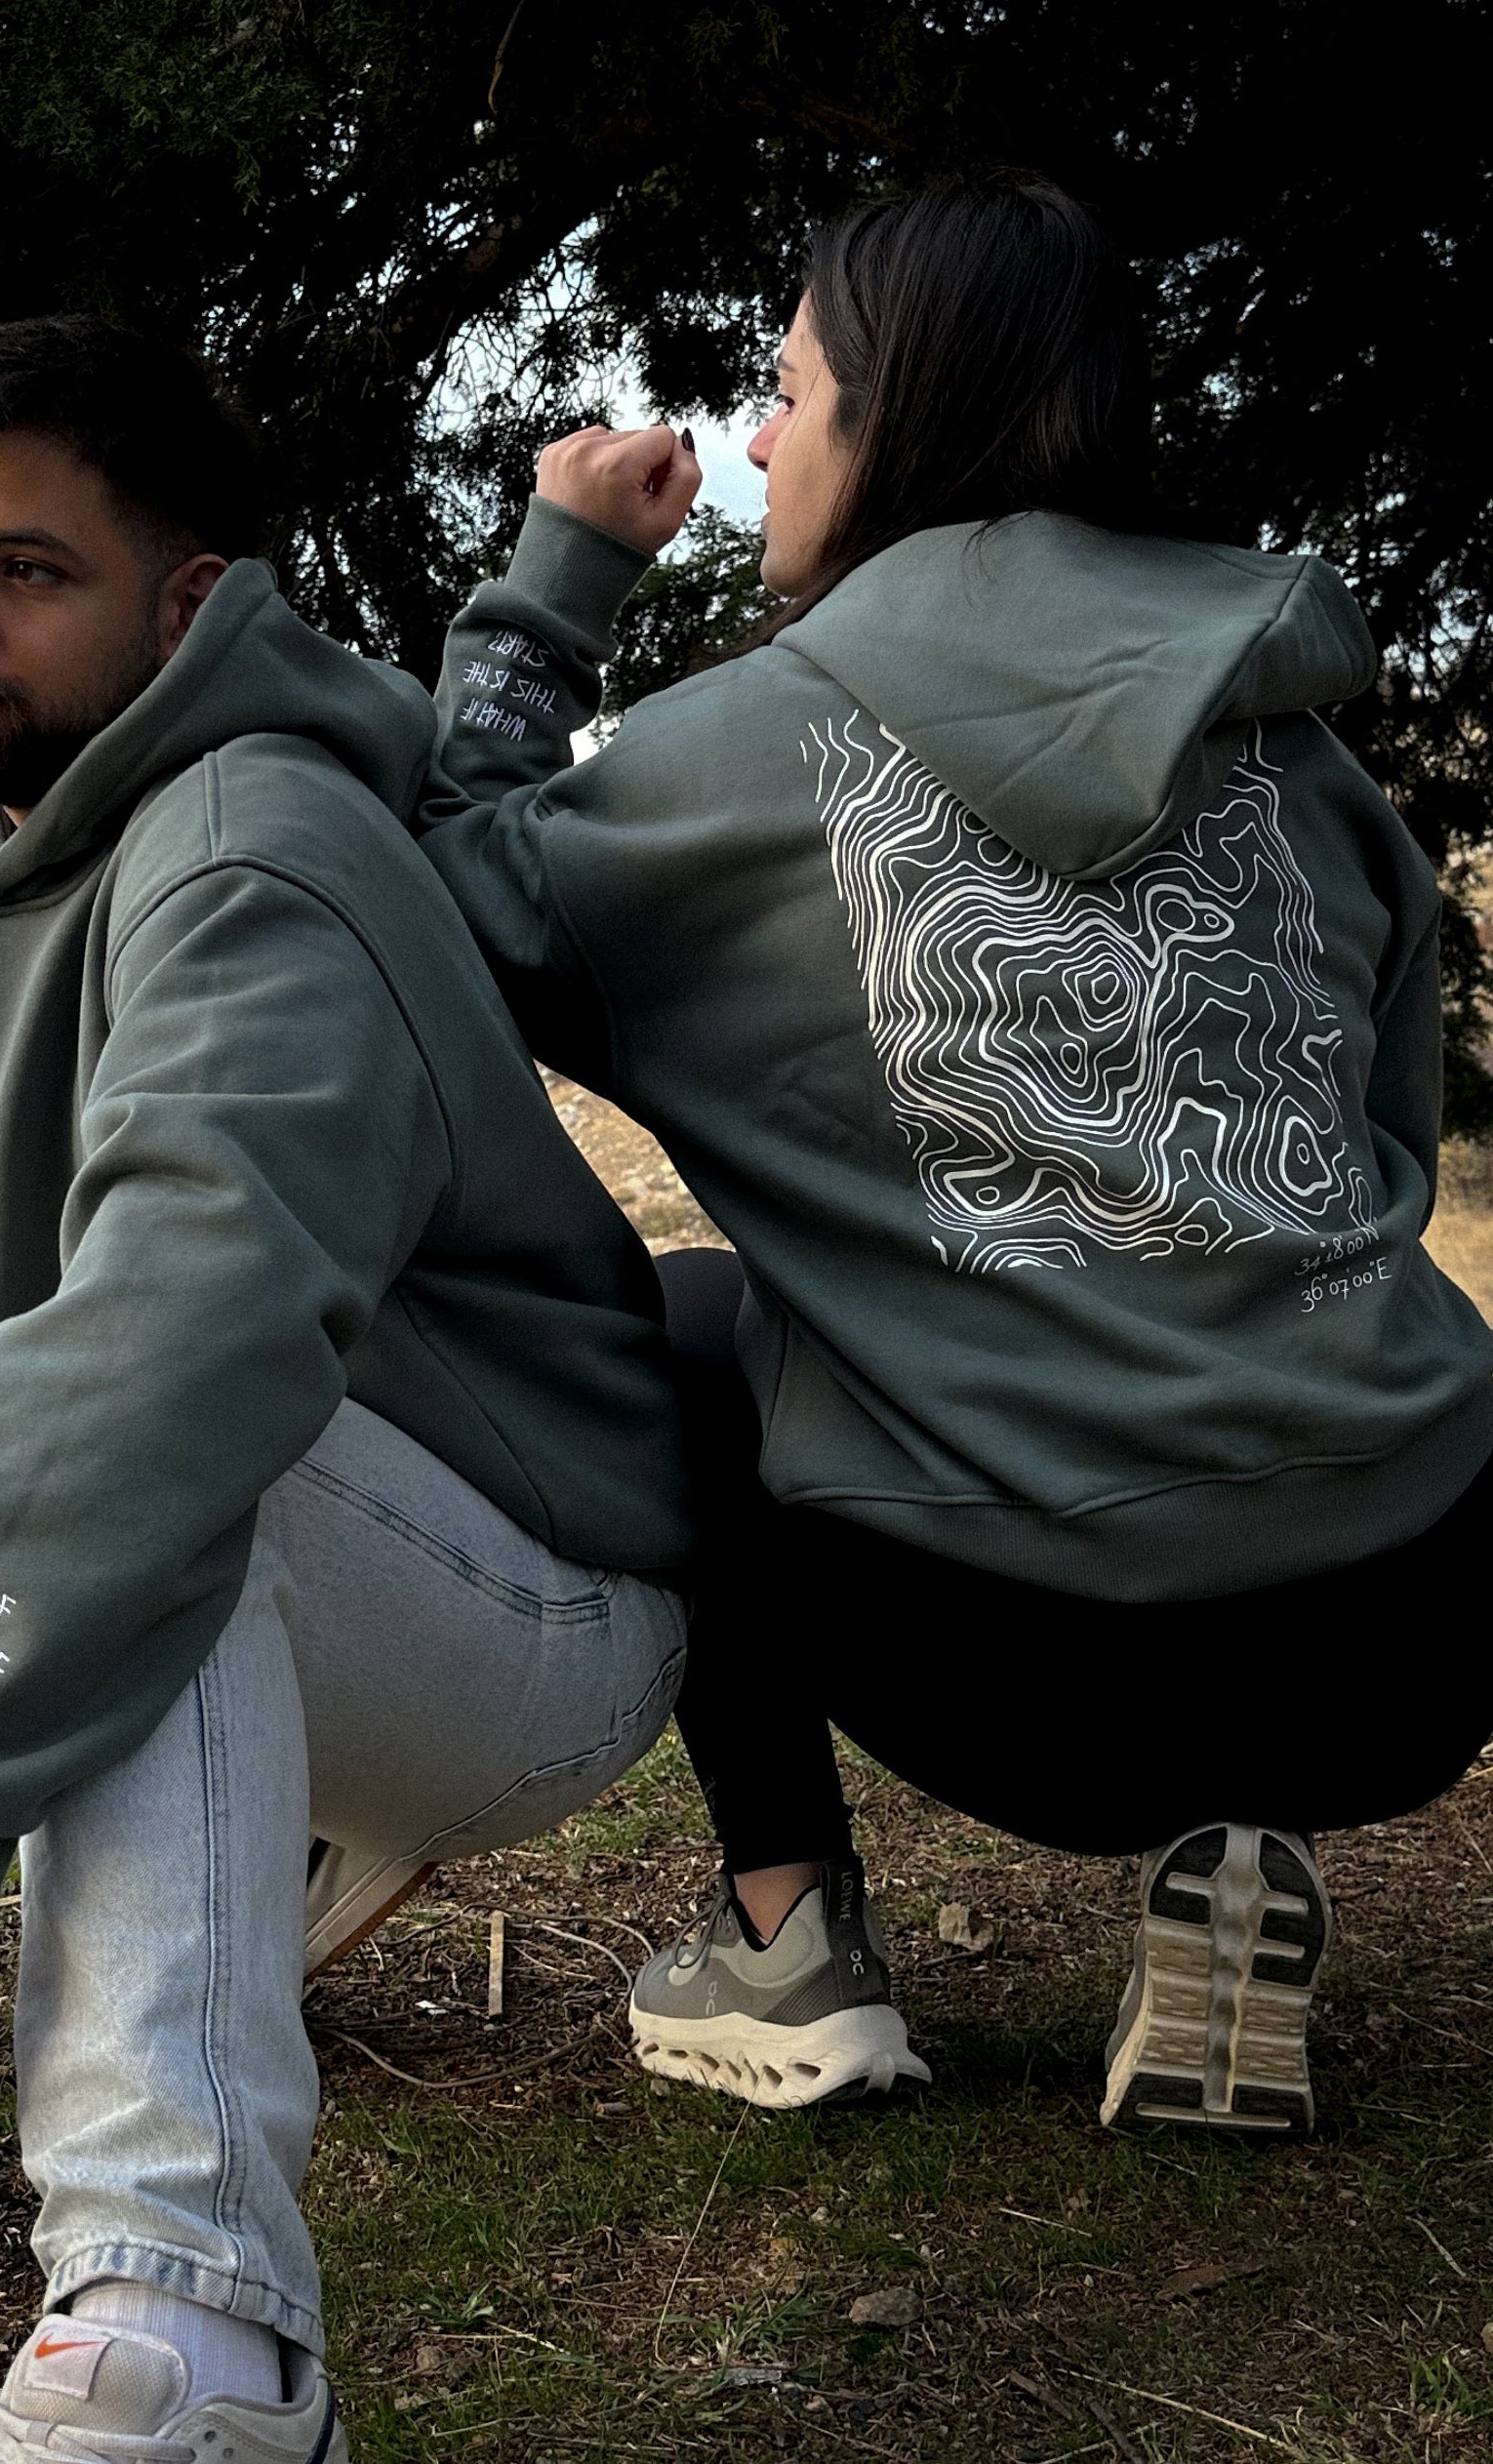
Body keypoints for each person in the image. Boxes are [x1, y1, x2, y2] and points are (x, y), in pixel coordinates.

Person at [0, 315, 691, 2463]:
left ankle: (194, 2329)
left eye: (26, 569)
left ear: (188, 600)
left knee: (152, 1500)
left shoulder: (262, 857)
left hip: (540, 1614)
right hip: (257, 1524)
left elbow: (169, 1380)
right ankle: (201, 1821)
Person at [389, 172, 1493, 2138]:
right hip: (1409, 1637)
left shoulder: (725, 764)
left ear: (892, 413)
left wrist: (555, 578)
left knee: (680, 1325)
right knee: (1273, 1323)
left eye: (786, 391)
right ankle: (1236, 1861)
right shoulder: (1297, 748)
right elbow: (1378, 1153)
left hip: (1013, 1682)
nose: (755, 441)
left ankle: (786, 1936)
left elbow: (444, 899)